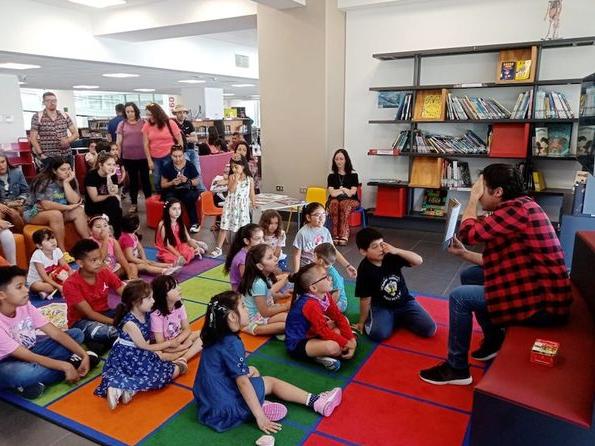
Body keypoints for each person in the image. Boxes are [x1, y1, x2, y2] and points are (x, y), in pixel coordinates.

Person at [420, 164, 573, 385]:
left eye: (482, 189)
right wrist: (464, 254)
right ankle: (494, 340)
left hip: (544, 306)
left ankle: (457, 369)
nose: (479, 194)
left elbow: (468, 232)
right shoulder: (522, 206)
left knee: (459, 297)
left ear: (498, 192)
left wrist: (471, 199)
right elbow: (498, 262)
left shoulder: (517, 211)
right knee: (471, 276)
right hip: (537, 289)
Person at [193, 291, 343, 433]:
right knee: (270, 382)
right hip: (227, 410)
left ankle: (260, 403)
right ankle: (317, 402)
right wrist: (260, 417)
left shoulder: (212, 336)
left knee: (252, 370)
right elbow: (242, 383)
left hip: (208, 407)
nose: (247, 310)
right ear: (232, 316)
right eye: (244, 306)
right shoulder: (232, 344)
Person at [0, 266, 98, 399]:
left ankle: (37, 380)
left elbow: (56, 333)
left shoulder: (25, 305)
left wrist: (83, 354)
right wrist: (65, 366)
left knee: (76, 334)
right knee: (21, 374)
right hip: (6, 363)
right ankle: (70, 365)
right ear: (1, 295)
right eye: (19, 287)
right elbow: (29, 356)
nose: (26, 290)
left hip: (31, 351)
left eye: (25, 285)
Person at [95, 280, 187, 410]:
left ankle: (128, 390)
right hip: (128, 357)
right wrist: (169, 343)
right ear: (135, 302)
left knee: (160, 371)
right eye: (149, 298)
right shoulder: (130, 323)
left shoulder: (147, 313)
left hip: (139, 355)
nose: (153, 301)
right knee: (162, 375)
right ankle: (117, 386)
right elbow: (145, 346)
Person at [353, 228, 436, 342]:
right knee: (378, 334)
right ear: (363, 251)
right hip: (382, 307)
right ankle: (390, 319)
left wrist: (396, 250)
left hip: (405, 302)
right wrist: (361, 322)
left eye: (381, 244)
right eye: (374, 246)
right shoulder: (364, 270)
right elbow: (365, 299)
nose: (380, 249)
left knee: (429, 329)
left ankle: (398, 318)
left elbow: (418, 260)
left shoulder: (391, 256)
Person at [286, 263, 356, 371]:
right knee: (334, 347)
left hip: (314, 333)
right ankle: (317, 357)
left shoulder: (325, 295)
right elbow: (323, 331)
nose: (330, 278)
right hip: (298, 343)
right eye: (325, 277)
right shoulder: (310, 304)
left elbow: (338, 317)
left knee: (344, 322)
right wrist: (347, 343)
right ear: (313, 288)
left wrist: (351, 340)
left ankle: (322, 353)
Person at [62, 239, 125, 354]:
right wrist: (116, 322)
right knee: (113, 331)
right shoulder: (70, 284)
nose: (99, 263)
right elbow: (89, 313)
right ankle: (104, 338)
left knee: (131, 308)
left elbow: (125, 293)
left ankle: (98, 342)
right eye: (94, 260)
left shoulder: (104, 271)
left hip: (106, 313)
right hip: (82, 321)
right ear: (80, 263)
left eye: (100, 258)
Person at [24, 157, 89, 262]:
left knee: (78, 211)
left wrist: (66, 183)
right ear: (54, 170)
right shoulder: (44, 181)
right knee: (56, 214)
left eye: (69, 169)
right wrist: (68, 207)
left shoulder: (70, 179)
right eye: (63, 170)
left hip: (59, 211)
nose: (67, 172)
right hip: (34, 212)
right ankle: (62, 252)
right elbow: (45, 205)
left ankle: (88, 243)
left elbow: (75, 201)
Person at [292, 202, 357, 279]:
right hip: (308, 268)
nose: (321, 218)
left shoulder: (325, 231)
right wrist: (297, 274)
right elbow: (296, 255)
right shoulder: (302, 233)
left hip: (323, 265)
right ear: (308, 217)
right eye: (317, 215)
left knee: (337, 280)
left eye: (323, 214)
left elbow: (333, 250)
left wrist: (347, 266)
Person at [237, 244, 290, 337]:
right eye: (270, 258)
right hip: (253, 321)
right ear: (260, 266)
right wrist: (285, 307)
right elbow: (264, 312)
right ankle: (252, 329)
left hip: (263, 315)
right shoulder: (258, 283)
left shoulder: (266, 277)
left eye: (273, 255)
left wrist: (279, 296)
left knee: (290, 318)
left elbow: (267, 294)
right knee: (285, 325)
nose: (275, 258)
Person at [150, 275, 203, 364]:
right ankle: (184, 354)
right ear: (163, 294)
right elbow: (160, 343)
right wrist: (183, 347)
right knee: (159, 355)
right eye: (174, 288)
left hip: (178, 339)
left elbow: (187, 328)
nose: (179, 288)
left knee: (205, 333)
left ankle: (182, 356)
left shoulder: (179, 306)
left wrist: (179, 341)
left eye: (177, 285)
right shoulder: (156, 315)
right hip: (164, 346)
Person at [210, 157, 255, 258]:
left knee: (242, 228)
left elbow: (251, 192)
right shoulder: (231, 177)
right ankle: (218, 248)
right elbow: (231, 190)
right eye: (232, 167)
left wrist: (253, 202)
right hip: (230, 206)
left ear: (243, 166)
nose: (234, 169)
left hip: (242, 207)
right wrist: (236, 179)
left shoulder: (249, 179)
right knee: (224, 227)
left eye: (236, 167)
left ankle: (243, 248)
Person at [116, 102, 151, 214]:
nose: (130, 113)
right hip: (128, 157)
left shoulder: (143, 122)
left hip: (143, 156)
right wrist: (118, 157)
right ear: (125, 113)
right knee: (133, 181)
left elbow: (149, 138)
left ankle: (149, 202)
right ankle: (134, 203)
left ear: (136, 111)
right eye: (128, 111)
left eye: (132, 111)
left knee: (145, 180)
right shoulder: (122, 124)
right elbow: (118, 142)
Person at [29, 92, 79, 168]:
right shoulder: (37, 117)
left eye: (54, 100)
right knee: (52, 179)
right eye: (48, 100)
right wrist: (41, 154)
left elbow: (76, 134)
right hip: (49, 157)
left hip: (66, 155)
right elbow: (33, 138)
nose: (52, 103)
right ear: (43, 102)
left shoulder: (64, 115)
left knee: (68, 177)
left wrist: (68, 140)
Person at [160, 145, 202, 233]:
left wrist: (187, 180)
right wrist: (172, 183)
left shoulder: (189, 165)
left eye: (180, 156)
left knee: (189, 198)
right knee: (170, 200)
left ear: (183, 155)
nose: (178, 159)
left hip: (187, 189)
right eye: (175, 156)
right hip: (173, 190)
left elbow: (197, 181)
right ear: (171, 156)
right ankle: (170, 223)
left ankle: (194, 223)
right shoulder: (167, 166)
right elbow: (163, 184)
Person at [143, 103, 184, 192]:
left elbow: (180, 140)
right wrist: (149, 160)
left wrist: (179, 155)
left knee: (170, 179)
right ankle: (160, 198)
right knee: (156, 180)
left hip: (170, 156)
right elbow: (145, 144)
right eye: (147, 115)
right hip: (155, 158)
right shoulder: (147, 125)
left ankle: (172, 198)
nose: (149, 117)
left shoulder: (170, 123)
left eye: (150, 114)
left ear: (157, 113)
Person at [155, 199, 207, 266]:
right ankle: (193, 246)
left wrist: (197, 247)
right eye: (174, 209)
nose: (177, 212)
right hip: (168, 248)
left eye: (179, 209)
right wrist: (179, 256)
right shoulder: (163, 225)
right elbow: (167, 245)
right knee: (172, 259)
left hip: (179, 245)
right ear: (167, 210)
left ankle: (196, 244)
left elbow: (188, 239)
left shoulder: (180, 223)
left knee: (187, 254)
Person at [84, 152, 123, 238]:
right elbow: (94, 198)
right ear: (101, 165)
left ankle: (117, 235)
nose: (112, 167)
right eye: (108, 164)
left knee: (115, 204)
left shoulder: (113, 175)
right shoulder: (91, 176)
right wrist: (110, 196)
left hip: (109, 204)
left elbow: (114, 191)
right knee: (114, 201)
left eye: (113, 164)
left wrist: (109, 177)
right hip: (94, 206)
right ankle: (114, 233)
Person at [26, 228, 72, 299]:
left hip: (53, 276)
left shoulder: (57, 250)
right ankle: (48, 290)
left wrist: (72, 275)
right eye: (47, 240)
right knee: (49, 287)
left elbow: (66, 267)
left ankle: (46, 292)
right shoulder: (37, 255)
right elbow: (44, 277)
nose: (52, 241)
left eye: (53, 238)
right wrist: (58, 286)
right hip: (37, 281)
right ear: (39, 246)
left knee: (73, 274)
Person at [326, 149, 360, 246]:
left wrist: (342, 189)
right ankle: (336, 234)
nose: (339, 161)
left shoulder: (353, 175)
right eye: (336, 159)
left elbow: (351, 193)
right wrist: (345, 190)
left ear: (346, 160)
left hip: (351, 201)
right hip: (334, 200)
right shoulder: (331, 176)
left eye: (341, 159)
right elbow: (332, 194)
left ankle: (344, 234)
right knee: (335, 203)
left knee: (344, 204)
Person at [89, 214, 137, 280]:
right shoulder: (90, 242)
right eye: (98, 227)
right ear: (91, 231)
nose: (103, 229)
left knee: (132, 266)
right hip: (100, 274)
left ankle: (132, 281)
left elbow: (121, 258)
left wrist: (129, 273)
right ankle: (115, 283)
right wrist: (105, 238)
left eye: (105, 226)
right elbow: (101, 258)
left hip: (113, 270)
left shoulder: (112, 241)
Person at [223, 224, 264, 292]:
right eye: (258, 239)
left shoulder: (251, 252)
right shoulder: (243, 259)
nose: (262, 241)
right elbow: (248, 281)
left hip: (250, 286)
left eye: (262, 237)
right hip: (242, 292)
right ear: (246, 241)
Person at [172, 104, 203, 182]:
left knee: (197, 171)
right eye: (179, 112)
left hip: (192, 150)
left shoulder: (188, 123)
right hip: (182, 151)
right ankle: (190, 188)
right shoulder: (173, 124)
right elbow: (174, 139)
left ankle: (200, 190)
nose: (182, 114)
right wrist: (188, 138)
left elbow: (195, 139)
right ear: (175, 114)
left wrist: (183, 138)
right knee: (187, 172)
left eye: (184, 112)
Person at [313, 243, 347, 313]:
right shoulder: (320, 268)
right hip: (328, 294)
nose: (312, 258)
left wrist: (327, 306)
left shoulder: (332, 274)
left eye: (314, 256)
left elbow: (337, 292)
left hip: (339, 301)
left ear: (320, 261)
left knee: (318, 309)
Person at [0, 152, 29, 234]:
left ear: (7, 162)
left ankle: (22, 235)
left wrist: (21, 200)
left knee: (14, 213)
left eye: (3, 162)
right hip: (2, 206)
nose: (1, 165)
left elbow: (26, 191)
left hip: (17, 204)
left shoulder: (17, 172)